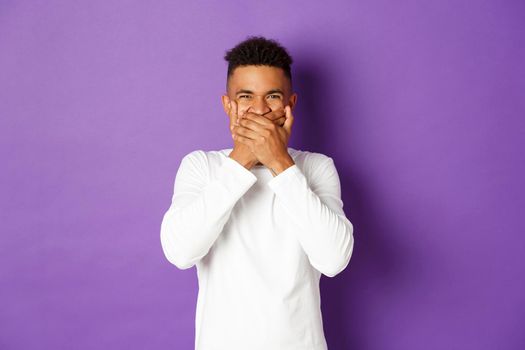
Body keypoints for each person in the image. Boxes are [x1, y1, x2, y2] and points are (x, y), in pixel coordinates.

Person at [160, 35, 355, 350]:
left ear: (290, 105)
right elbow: (180, 252)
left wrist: (280, 162)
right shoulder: (202, 167)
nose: (260, 110)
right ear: (228, 105)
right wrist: (243, 159)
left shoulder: (316, 168)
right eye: (246, 96)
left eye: (273, 96)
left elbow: (333, 259)